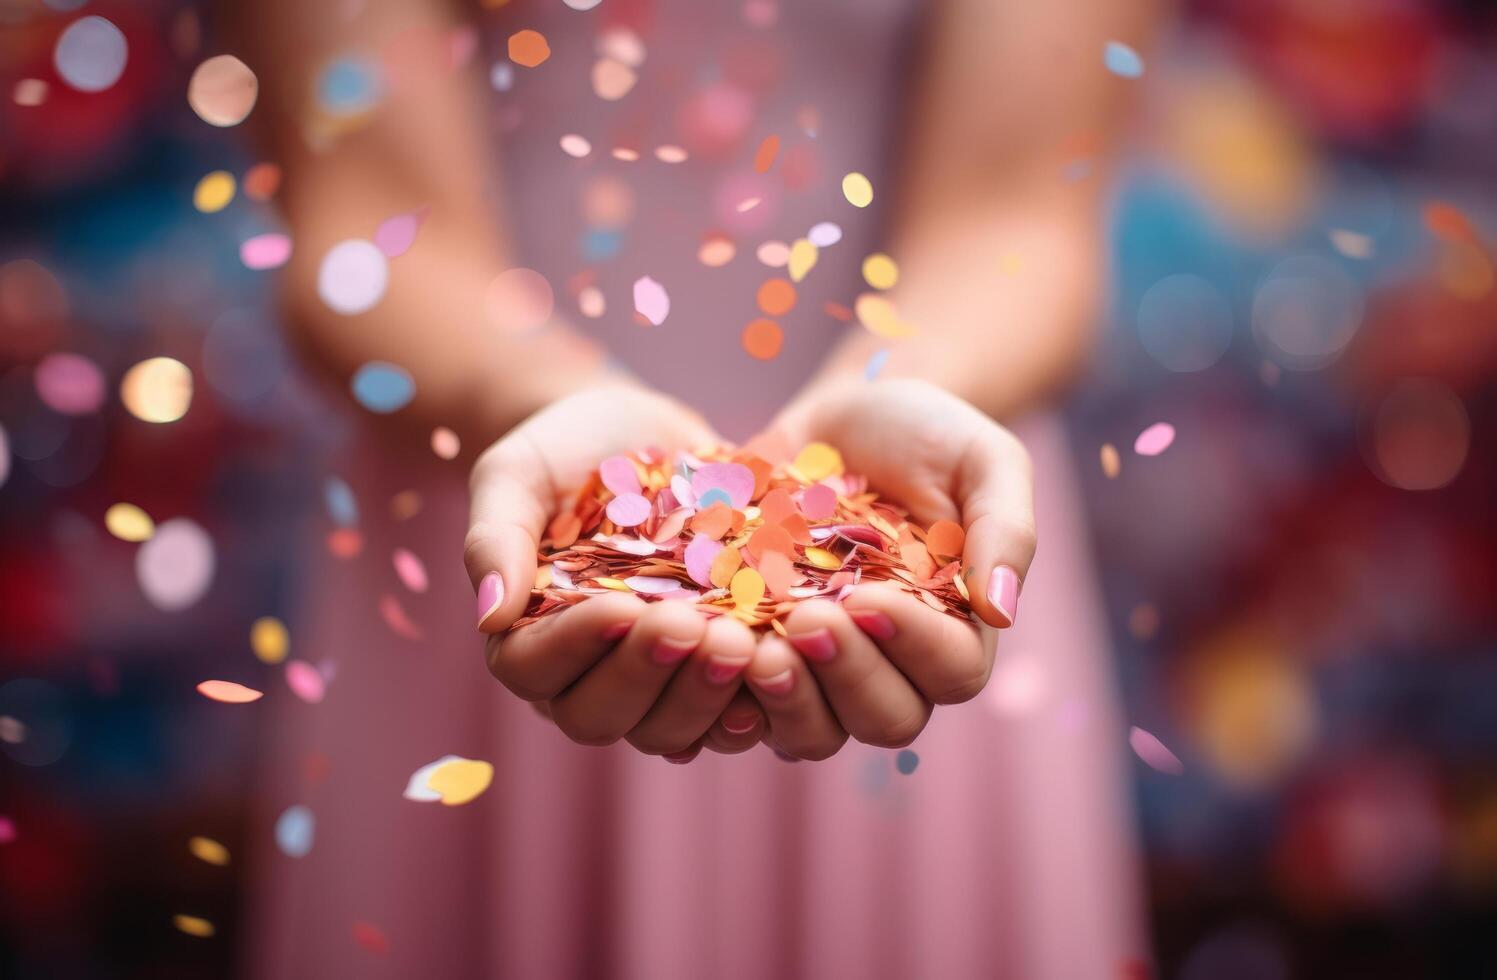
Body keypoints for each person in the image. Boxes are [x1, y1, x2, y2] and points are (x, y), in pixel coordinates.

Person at [237, 0, 1154, 976]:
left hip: (916, 507)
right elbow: (364, 229)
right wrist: (544, 400)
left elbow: (1022, 220)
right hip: (505, 511)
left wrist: (908, 391)